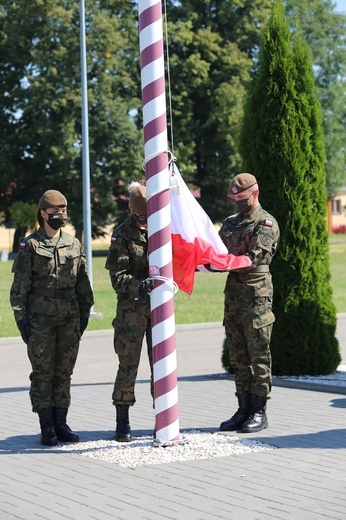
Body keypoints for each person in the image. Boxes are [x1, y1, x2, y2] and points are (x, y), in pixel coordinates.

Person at [10, 190, 94, 446]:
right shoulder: (31, 245)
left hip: (68, 317)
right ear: (43, 214)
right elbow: (20, 287)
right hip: (40, 319)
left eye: (63, 212)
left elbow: (83, 284)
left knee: (64, 373)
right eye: (55, 212)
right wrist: (22, 320)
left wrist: (84, 313)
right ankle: (46, 425)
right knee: (43, 372)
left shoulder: (73, 244)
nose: (60, 216)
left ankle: (61, 422)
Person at [218, 173, 280, 433]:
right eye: (234, 199)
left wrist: (224, 262)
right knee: (238, 357)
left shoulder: (265, 223)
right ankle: (243, 408)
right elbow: (217, 249)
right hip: (233, 297)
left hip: (256, 296)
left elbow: (254, 257)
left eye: (241, 198)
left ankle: (258, 410)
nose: (237, 203)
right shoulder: (231, 223)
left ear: (255, 193)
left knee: (258, 356)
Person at [105, 182, 153, 442]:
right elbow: (117, 277)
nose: (144, 220)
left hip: (158, 310)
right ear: (131, 209)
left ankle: (164, 417)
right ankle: (122, 421)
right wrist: (140, 286)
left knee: (162, 365)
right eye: (140, 215)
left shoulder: (162, 227)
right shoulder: (122, 233)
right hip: (130, 310)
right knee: (128, 365)